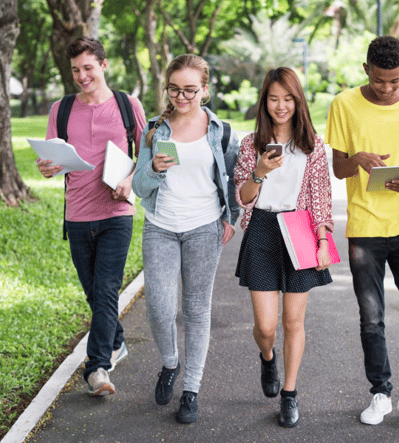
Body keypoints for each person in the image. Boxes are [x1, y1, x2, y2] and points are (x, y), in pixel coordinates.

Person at [325, 36, 399, 432]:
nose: (388, 88)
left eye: (394, 81)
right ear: (366, 71)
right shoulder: (344, 104)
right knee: (371, 317)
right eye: (379, 80)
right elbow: (339, 169)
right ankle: (380, 392)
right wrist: (357, 159)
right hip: (365, 225)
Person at [132, 54, 240, 424]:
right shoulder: (154, 129)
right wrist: (152, 168)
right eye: (175, 89)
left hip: (203, 227)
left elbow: (232, 179)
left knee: (196, 310)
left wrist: (231, 218)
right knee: (160, 308)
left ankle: (191, 388)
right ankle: (169, 363)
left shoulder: (221, 131)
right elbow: (138, 187)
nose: (181, 97)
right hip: (160, 225)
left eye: (190, 90)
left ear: (205, 90)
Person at [37, 37, 146, 396]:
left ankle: (97, 368)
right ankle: (116, 339)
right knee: (94, 293)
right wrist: (47, 167)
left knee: (105, 288)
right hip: (78, 214)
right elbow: (54, 157)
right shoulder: (61, 109)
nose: (82, 76)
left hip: (116, 212)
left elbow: (146, 157)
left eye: (88, 68)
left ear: (104, 65)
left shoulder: (128, 106)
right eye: (75, 70)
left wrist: (130, 180)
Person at [234, 67, 334, 428]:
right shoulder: (251, 144)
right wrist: (259, 170)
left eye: (288, 99)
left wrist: (323, 240)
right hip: (262, 229)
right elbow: (244, 199)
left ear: (298, 101)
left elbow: (321, 197)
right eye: (274, 98)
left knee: (294, 320)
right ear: (265, 101)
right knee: (265, 325)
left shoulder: (313, 146)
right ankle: (267, 356)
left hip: (300, 230)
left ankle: (289, 394)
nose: (281, 106)